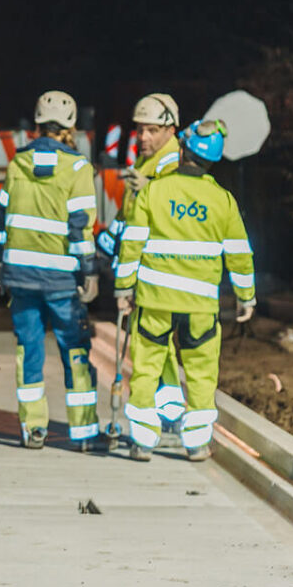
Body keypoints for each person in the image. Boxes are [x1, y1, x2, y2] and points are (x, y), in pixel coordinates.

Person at [115, 119, 256, 462]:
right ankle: (196, 443)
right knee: (201, 373)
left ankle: (143, 441)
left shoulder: (154, 192)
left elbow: (131, 245)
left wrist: (123, 288)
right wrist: (245, 296)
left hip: (155, 301)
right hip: (200, 306)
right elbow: (239, 253)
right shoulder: (222, 200)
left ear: (182, 150)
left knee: (147, 369)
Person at [0, 90, 100, 450]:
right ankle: (83, 433)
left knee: (29, 352)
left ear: (36, 125)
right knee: (75, 351)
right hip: (62, 282)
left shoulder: (17, 164)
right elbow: (81, 228)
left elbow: (1, 221)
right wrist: (91, 273)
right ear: (71, 128)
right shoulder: (78, 169)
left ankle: (33, 429)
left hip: (20, 278)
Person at [102, 92, 187, 433]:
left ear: (170, 129)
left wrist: (150, 186)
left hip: (159, 269)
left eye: (152, 130)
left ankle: (162, 415)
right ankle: (169, 410)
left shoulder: (172, 163)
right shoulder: (145, 163)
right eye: (140, 130)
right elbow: (130, 217)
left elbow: (178, 205)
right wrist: (106, 244)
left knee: (150, 344)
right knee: (156, 345)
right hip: (144, 268)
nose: (143, 137)